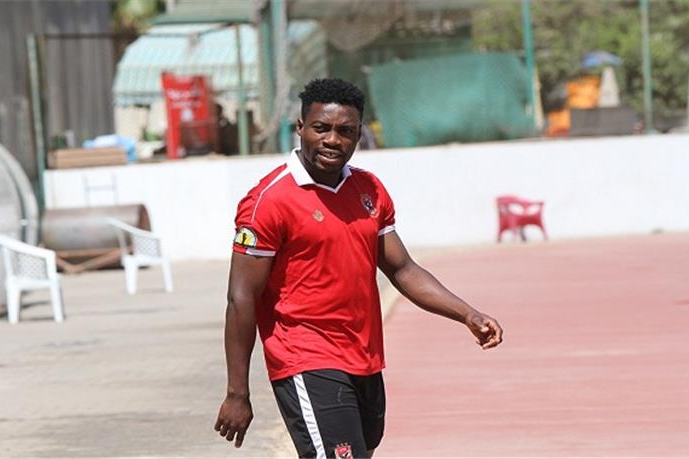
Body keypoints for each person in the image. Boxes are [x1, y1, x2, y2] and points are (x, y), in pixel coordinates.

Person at [214, 78, 503, 458]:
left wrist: (467, 314)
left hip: (365, 359)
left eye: (346, 131)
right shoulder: (269, 201)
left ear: (359, 134)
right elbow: (241, 297)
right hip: (305, 358)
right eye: (321, 128)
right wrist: (237, 392)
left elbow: (402, 269)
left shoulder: (370, 189)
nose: (333, 140)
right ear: (300, 127)